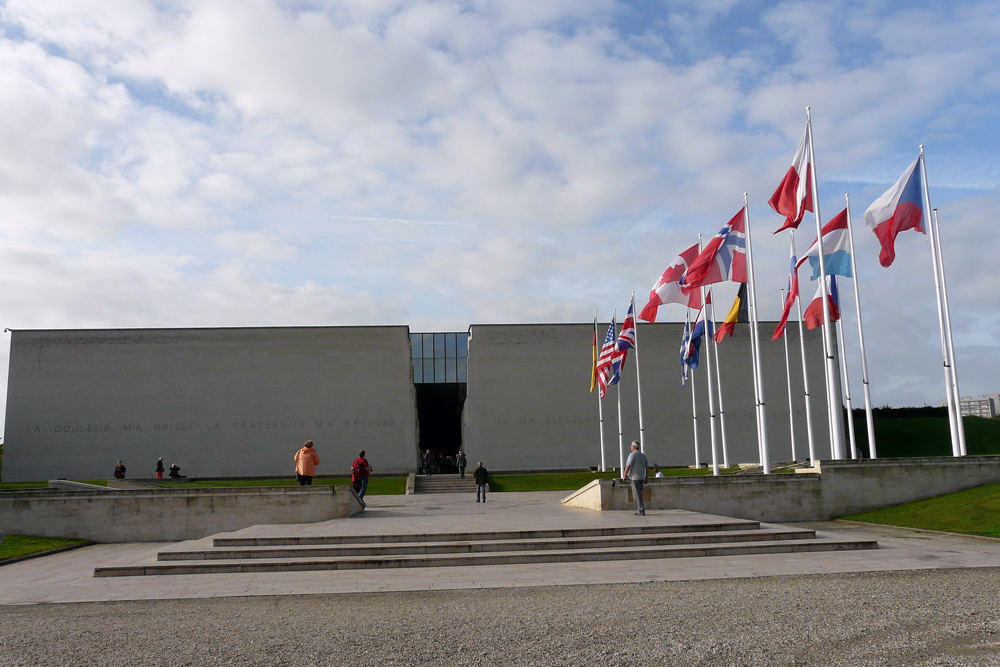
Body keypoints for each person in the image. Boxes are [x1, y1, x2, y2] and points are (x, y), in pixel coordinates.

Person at [623, 441, 649, 516]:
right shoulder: (643, 456)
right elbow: (647, 467)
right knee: (638, 494)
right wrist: (646, 477)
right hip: (642, 477)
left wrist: (624, 475)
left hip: (635, 477)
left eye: (631, 446)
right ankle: (639, 509)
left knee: (637, 495)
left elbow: (628, 465)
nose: (631, 447)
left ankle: (640, 510)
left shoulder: (632, 455)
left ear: (634, 447)